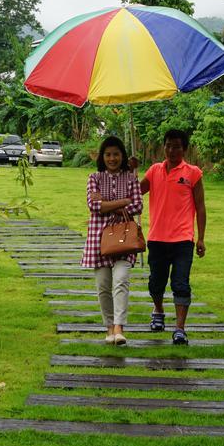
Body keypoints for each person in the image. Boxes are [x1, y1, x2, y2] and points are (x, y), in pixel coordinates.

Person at [140, 129, 206, 345]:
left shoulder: (193, 173)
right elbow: (136, 191)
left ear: (184, 149)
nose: (172, 150)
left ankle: (180, 328)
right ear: (164, 146)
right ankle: (158, 311)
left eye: (177, 146)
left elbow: (200, 206)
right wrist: (130, 171)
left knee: (181, 283)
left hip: (183, 239)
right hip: (157, 238)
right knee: (155, 283)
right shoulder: (153, 171)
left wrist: (201, 238)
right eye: (168, 145)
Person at [84, 135, 143, 345]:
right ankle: (109, 327)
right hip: (99, 241)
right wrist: (123, 202)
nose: (112, 158)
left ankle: (119, 328)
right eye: (108, 154)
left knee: (121, 281)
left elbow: (137, 206)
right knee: (103, 286)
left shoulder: (132, 178)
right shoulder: (94, 178)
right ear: (102, 156)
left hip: (125, 239)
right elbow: (95, 206)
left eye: (116, 154)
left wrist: (108, 202)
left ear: (122, 155)